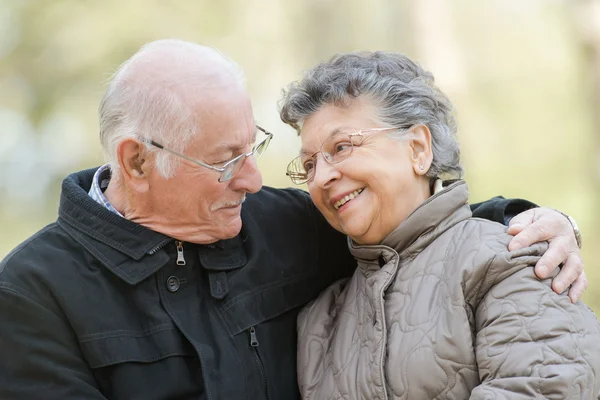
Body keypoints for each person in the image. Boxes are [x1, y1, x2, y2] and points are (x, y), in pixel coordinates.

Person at [0, 40, 587, 400]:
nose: (255, 182)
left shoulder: (280, 225)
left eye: (252, 149)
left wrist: (530, 221)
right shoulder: (30, 295)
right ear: (136, 161)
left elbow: (413, 230)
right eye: (225, 161)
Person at [279, 51, 600, 399]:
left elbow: (544, 388)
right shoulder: (319, 322)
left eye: (341, 147)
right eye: (309, 165)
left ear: (418, 149)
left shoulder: (513, 262)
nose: (322, 176)